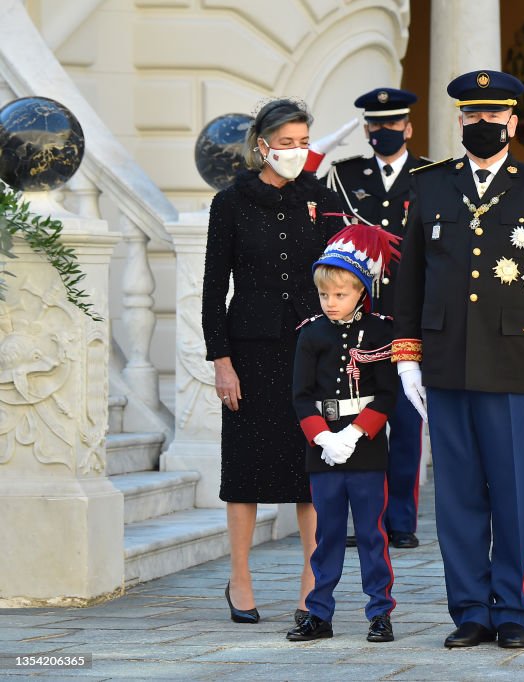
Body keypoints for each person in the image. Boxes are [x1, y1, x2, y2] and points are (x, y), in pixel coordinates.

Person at [392, 70, 524, 649]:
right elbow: (411, 279)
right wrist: (407, 357)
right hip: (446, 361)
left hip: (513, 364)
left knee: (510, 493)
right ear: (460, 121)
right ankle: (470, 611)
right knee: (455, 497)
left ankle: (513, 612)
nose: (483, 125)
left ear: (513, 122)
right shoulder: (429, 186)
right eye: (472, 117)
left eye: (493, 117)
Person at [202, 98, 343, 625]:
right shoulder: (231, 202)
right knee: (245, 468)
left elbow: (338, 274)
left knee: (311, 468)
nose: (295, 152)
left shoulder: (320, 196)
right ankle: (240, 577)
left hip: (313, 347)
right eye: (286, 144)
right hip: (250, 351)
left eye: (303, 142)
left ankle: (313, 582)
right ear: (261, 145)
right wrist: (221, 360)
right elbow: (215, 287)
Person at [308, 87, 431, 550]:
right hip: (357, 321)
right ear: (366, 129)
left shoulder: (429, 176)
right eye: (376, 126)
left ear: (408, 127)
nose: (384, 132)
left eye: (393, 124)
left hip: (407, 319)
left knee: (404, 426)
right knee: (357, 421)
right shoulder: (344, 176)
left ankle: (400, 521)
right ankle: (367, 519)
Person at [286, 223, 400, 642]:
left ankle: (380, 613)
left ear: (361, 292)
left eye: (341, 294)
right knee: (326, 535)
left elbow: (387, 397)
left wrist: (353, 434)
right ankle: (319, 613)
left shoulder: (381, 332)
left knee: (372, 534)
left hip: (366, 450)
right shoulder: (311, 334)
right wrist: (323, 438)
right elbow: (300, 396)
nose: (331, 303)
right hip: (323, 451)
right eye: (324, 295)